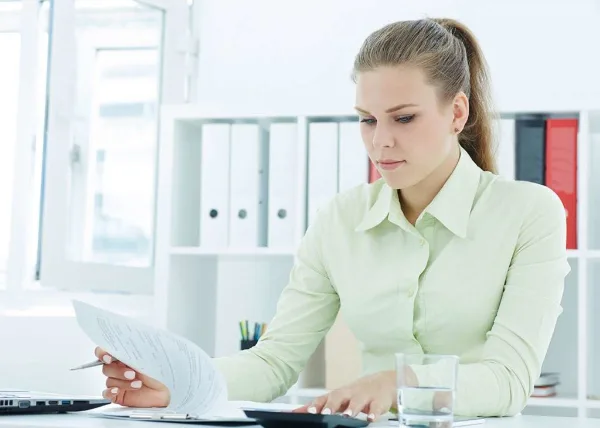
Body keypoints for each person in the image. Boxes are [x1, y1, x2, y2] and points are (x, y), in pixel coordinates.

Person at [95, 17, 570, 422]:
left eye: (403, 118)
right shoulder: (339, 219)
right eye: (367, 119)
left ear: (457, 112)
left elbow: (509, 380)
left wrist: (399, 384)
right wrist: (178, 382)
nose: (380, 141)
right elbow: (275, 361)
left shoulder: (530, 213)